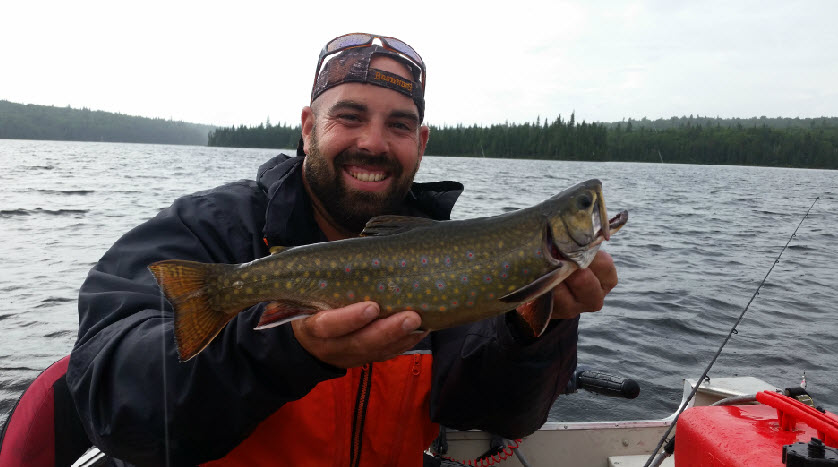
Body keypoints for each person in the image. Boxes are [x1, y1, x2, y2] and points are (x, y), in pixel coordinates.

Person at [67, 33, 618, 466]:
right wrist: (284, 351)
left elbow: (496, 415)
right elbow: (112, 405)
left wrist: (536, 329)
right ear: (308, 127)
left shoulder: (452, 255)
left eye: (398, 125)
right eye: (350, 117)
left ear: (421, 142)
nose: (373, 143)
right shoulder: (205, 229)